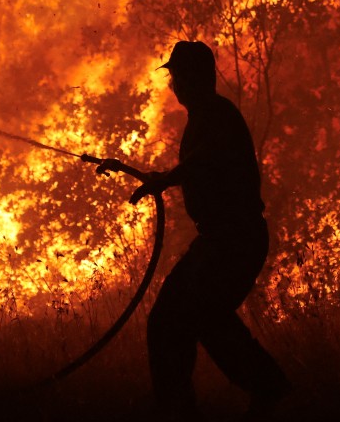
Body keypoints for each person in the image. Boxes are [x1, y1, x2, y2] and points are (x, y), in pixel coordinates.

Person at [97, 41, 290, 420]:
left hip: (235, 240)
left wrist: (166, 180)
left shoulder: (217, 114)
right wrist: (161, 178)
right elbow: (202, 165)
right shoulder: (204, 116)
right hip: (218, 240)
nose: (175, 85)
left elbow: (205, 160)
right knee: (174, 319)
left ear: (198, 78)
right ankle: (183, 406)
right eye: (173, 77)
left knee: (199, 315)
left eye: (179, 76)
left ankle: (265, 386)